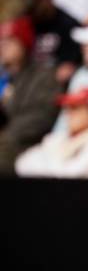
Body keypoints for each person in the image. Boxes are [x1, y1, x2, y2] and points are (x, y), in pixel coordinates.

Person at [0, 16, 61, 175]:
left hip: (26, 145)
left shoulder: (44, 76)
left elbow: (44, 116)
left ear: (24, 45)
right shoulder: (5, 76)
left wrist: (6, 135)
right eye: (1, 41)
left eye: (10, 41)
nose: (3, 46)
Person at [15, 88, 88, 178]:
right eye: (68, 108)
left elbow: (74, 175)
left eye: (75, 108)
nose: (68, 114)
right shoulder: (60, 137)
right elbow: (22, 164)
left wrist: (47, 166)